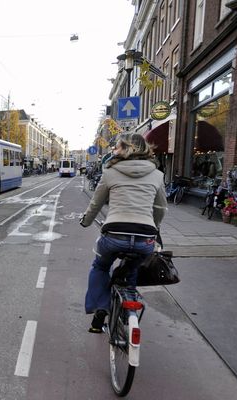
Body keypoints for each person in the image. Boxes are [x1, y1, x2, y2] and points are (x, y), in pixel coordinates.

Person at [79, 133, 167, 333]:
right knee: (132, 269)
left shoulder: (110, 171)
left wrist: (86, 221)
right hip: (145, 238)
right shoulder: (157, 174)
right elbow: (161, 208)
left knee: (100, 267)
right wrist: (155, 227)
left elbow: (96, 203)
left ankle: (100, 308)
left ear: (126, 148)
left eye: (117, 147)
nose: (114, 150)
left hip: (114, 235)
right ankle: (129, 311)